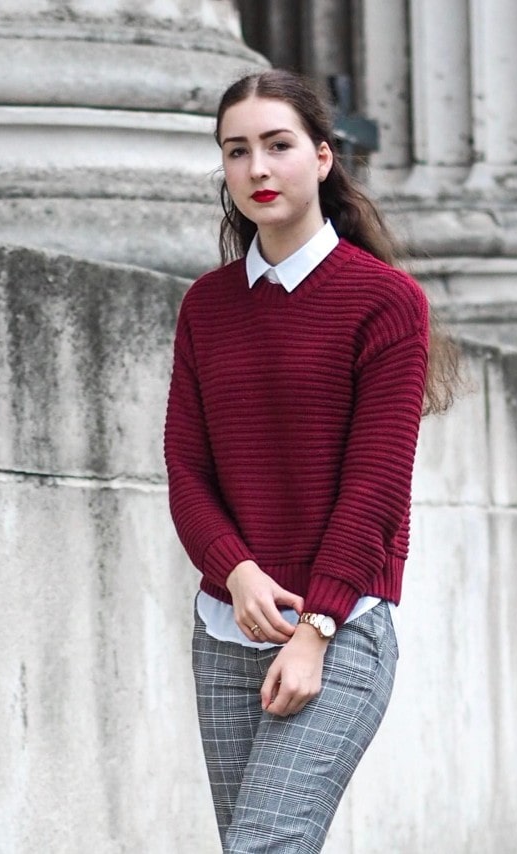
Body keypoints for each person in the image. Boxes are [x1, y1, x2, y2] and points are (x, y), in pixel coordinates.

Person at [164, 68, 457, 854]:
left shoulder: (386, 302)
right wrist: (236, 571)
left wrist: (316, 629)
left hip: (342, 626)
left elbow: (376, 489)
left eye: (277, 145)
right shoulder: (207, 305)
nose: (257, 168)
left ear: (322, 158)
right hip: (226, 628)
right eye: (236, 151)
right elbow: (187, 471)